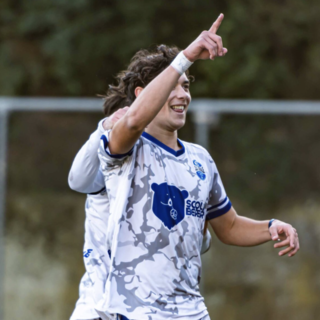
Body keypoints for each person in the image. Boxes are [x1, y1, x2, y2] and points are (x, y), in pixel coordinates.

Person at [96, 14, 300, 320]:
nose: (182, 95)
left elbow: (228, 226)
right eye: (172, 86)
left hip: (190, 312)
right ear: (143, 95)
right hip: (133, 312)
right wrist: (186, 56)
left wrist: (270, 227)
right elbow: (135, 120)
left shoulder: (200, 159)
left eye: (186, 86)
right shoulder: (125, 146)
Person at [68, 108, 213, 320]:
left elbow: (196, 242)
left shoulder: (159, 175)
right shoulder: (115, 168)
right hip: (99, 310)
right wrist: (105, 125)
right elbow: (77, 179)